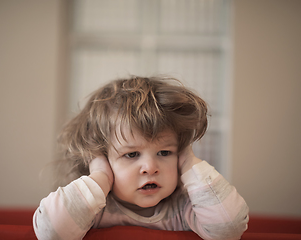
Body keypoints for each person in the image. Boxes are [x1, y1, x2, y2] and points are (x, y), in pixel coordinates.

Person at [33, 76, 249, 240]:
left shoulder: (184, 208)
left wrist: (190, 163)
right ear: (101, 157)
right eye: (131, 154)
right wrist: (100, 176)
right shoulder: (95, 210)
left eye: (165, 152)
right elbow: (50, 231)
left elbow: (228, 229)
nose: (150, 167)